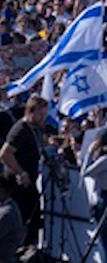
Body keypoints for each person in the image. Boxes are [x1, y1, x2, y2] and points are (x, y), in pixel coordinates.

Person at [0, 95, 47, 246]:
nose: (43, 118)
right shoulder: (21, 129)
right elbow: (5, 153)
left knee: (33, 223)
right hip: (18, 186)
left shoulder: (36, 130)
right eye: (40, 114)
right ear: (31, 112)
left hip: (30, 183)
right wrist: (20, 172)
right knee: (20, 223)